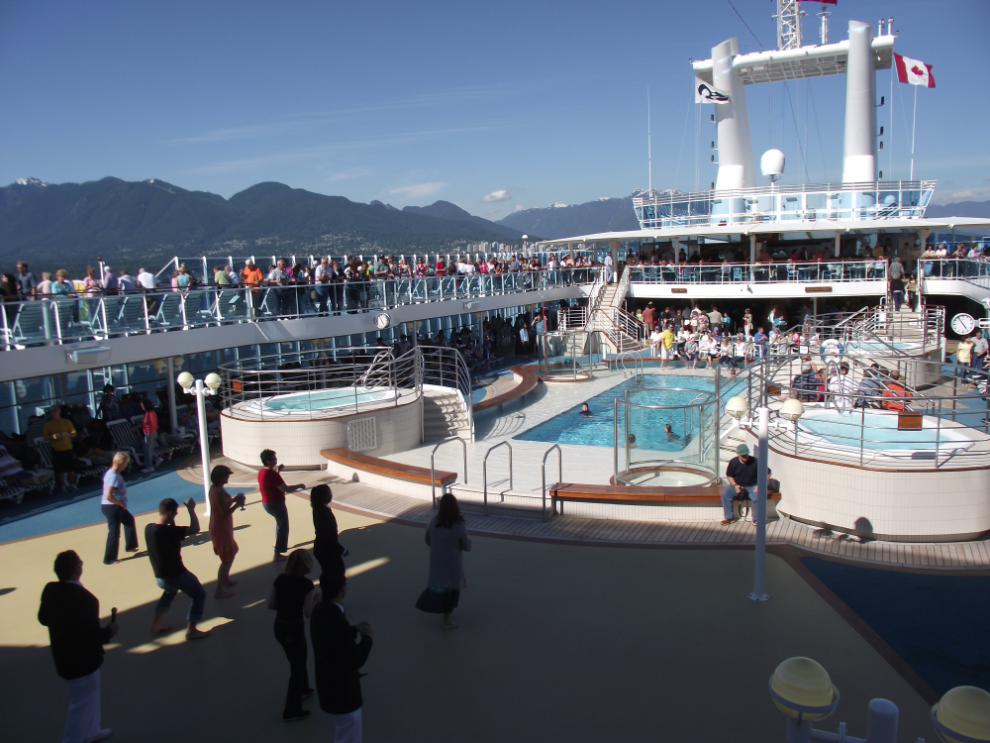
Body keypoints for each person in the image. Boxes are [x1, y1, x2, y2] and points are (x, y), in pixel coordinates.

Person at [38, 550, 117, 743]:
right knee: (81, 703)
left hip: (63, 658)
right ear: (76, 570)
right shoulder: (87, 600)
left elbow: (43, 619)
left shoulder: (50, 590)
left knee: (90, 697)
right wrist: (109, 631)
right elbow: (90, 635)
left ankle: (91, 731)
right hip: (83, 662)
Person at [311, 573, 374, 743]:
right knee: (349, 735)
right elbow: (356, 659)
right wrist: (367, 638)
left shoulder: (319, 610)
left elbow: (331, 637)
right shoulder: (337, 620)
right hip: (343, 692)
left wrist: (352, 631)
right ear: (342, 589)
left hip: (328, 685)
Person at [145, 497, 211, 640]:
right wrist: (191, 510)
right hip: (176, 575)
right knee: (199, 594)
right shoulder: (170, 533)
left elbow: (168, 530)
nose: (175, 516)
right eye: (175, 514)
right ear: (170, 513)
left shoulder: (149, 529)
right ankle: (191, 630)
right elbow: (195, 529)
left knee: (170, 592)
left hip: (160, 577)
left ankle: (156, 624)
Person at [269, 549, 319, 722]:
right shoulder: (307, 586)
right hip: (294, 629)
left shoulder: (280, 580)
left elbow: (271, 604)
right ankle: (291, 709)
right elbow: (307, 612)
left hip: (279, 626)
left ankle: (304, 689)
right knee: (297, 667)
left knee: (297, 660)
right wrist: (315, 600)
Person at [416, 493, 472, 630]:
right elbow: (466, 546)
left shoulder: (434, 521)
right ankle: (446, 621)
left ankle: (441, 614)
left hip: (437, 560)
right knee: (452, 590)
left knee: (439, 587)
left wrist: (436, 548)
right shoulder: (459, 525)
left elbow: (427, 539)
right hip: (453, 563)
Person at [258, 449, 306, 562]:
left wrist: (278, 471)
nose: (276, 460)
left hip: (267, 503)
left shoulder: (262, 472)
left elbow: (272, 482)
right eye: (274, 459)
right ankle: (277, 554)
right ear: (268, 461)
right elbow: (286, 489)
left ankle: (277, 543)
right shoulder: (272, 475)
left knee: (279, 523)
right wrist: (298, 485)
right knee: (283, 526)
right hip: (276, 503)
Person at [209, 465, 245, 599]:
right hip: (221, 528)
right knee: (227, 558)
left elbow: (223, 504)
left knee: (232, 551)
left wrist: (234, 499)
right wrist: (237, 503)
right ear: (220, 477)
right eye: (226, 476)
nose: (227, 478)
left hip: (222, 527)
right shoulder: (218, 492)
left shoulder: (215, 489)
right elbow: (225, 512)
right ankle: (219, 589)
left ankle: (225, 579)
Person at [101, 452, 139, 565]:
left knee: (129, 520)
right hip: (112, 507)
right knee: (114, 532)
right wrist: (120, 504)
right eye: (126, 463)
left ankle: (131, 546)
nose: (126, 465)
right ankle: (109, 559)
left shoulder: (113, 473)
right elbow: (108, 495)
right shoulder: (113, 476)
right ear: (121, 463)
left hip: (115, 506)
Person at [311, 484, 347, 583]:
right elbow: (328, 536)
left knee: (330, 573)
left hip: (322, 548)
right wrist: (342, 550)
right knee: (336, 573)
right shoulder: (323, 512)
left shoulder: (318, 509)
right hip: (326, 550)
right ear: (325, 496)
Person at [720, 444, 759, 525]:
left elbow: (767, 473)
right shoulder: (733, 462)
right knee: (725, 494)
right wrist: (735, 485)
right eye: (743, 455)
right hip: (737, 484)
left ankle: (756, 519)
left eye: (746, 455)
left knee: (758, 497)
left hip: (752, 485)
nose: (745, 457)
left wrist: (760, 485)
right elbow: (729, 476)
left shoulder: (755, 461)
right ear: (738, 454)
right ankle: (729, 517)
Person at [43, 405, 78, 493]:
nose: (53, 413)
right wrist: (53, 436)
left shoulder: (66, 422)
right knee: (59, 469)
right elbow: (44, 436)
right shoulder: (48, 424)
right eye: (51, 412)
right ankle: (62, 485)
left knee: (71, 468)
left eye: (55, 411)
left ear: (59, 412)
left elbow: (74, 432)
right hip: (57, 450)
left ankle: (72, 484)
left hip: (68, 448)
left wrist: (69, 434)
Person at [139, 398, 162, 473]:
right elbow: (146, 423)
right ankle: (156, 459)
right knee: (147, 449)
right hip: (148, 433)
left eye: (142, 405)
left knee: (147, 451)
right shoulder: (148, 413)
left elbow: (152, 425)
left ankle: (149, 466)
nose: (142, 407)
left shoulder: (150, 413)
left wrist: (150, 437)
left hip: (150, 433)